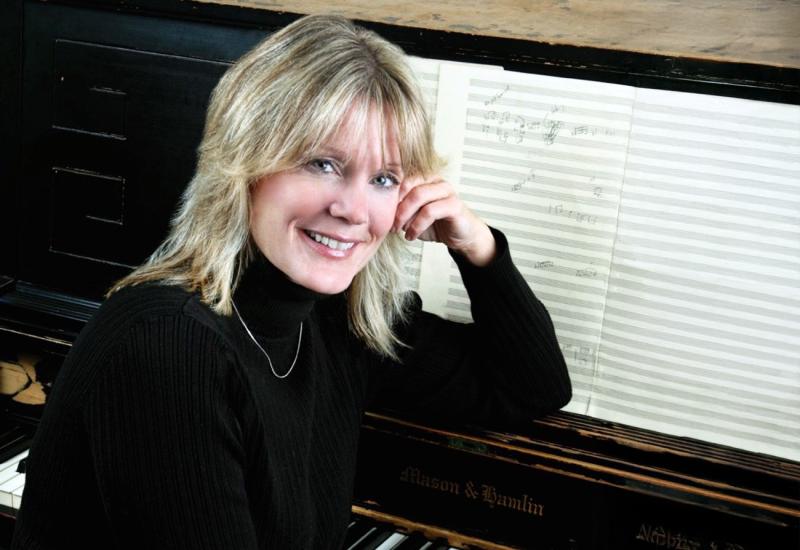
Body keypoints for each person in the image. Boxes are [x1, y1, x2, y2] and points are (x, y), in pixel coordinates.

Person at [11, 14, 571, 550]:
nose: (353, 210)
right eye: (321, 163)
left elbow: (532, 387)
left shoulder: (337, 318)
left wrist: (479, 247)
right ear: (245, 161)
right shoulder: (166, 345)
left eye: (383, 178)